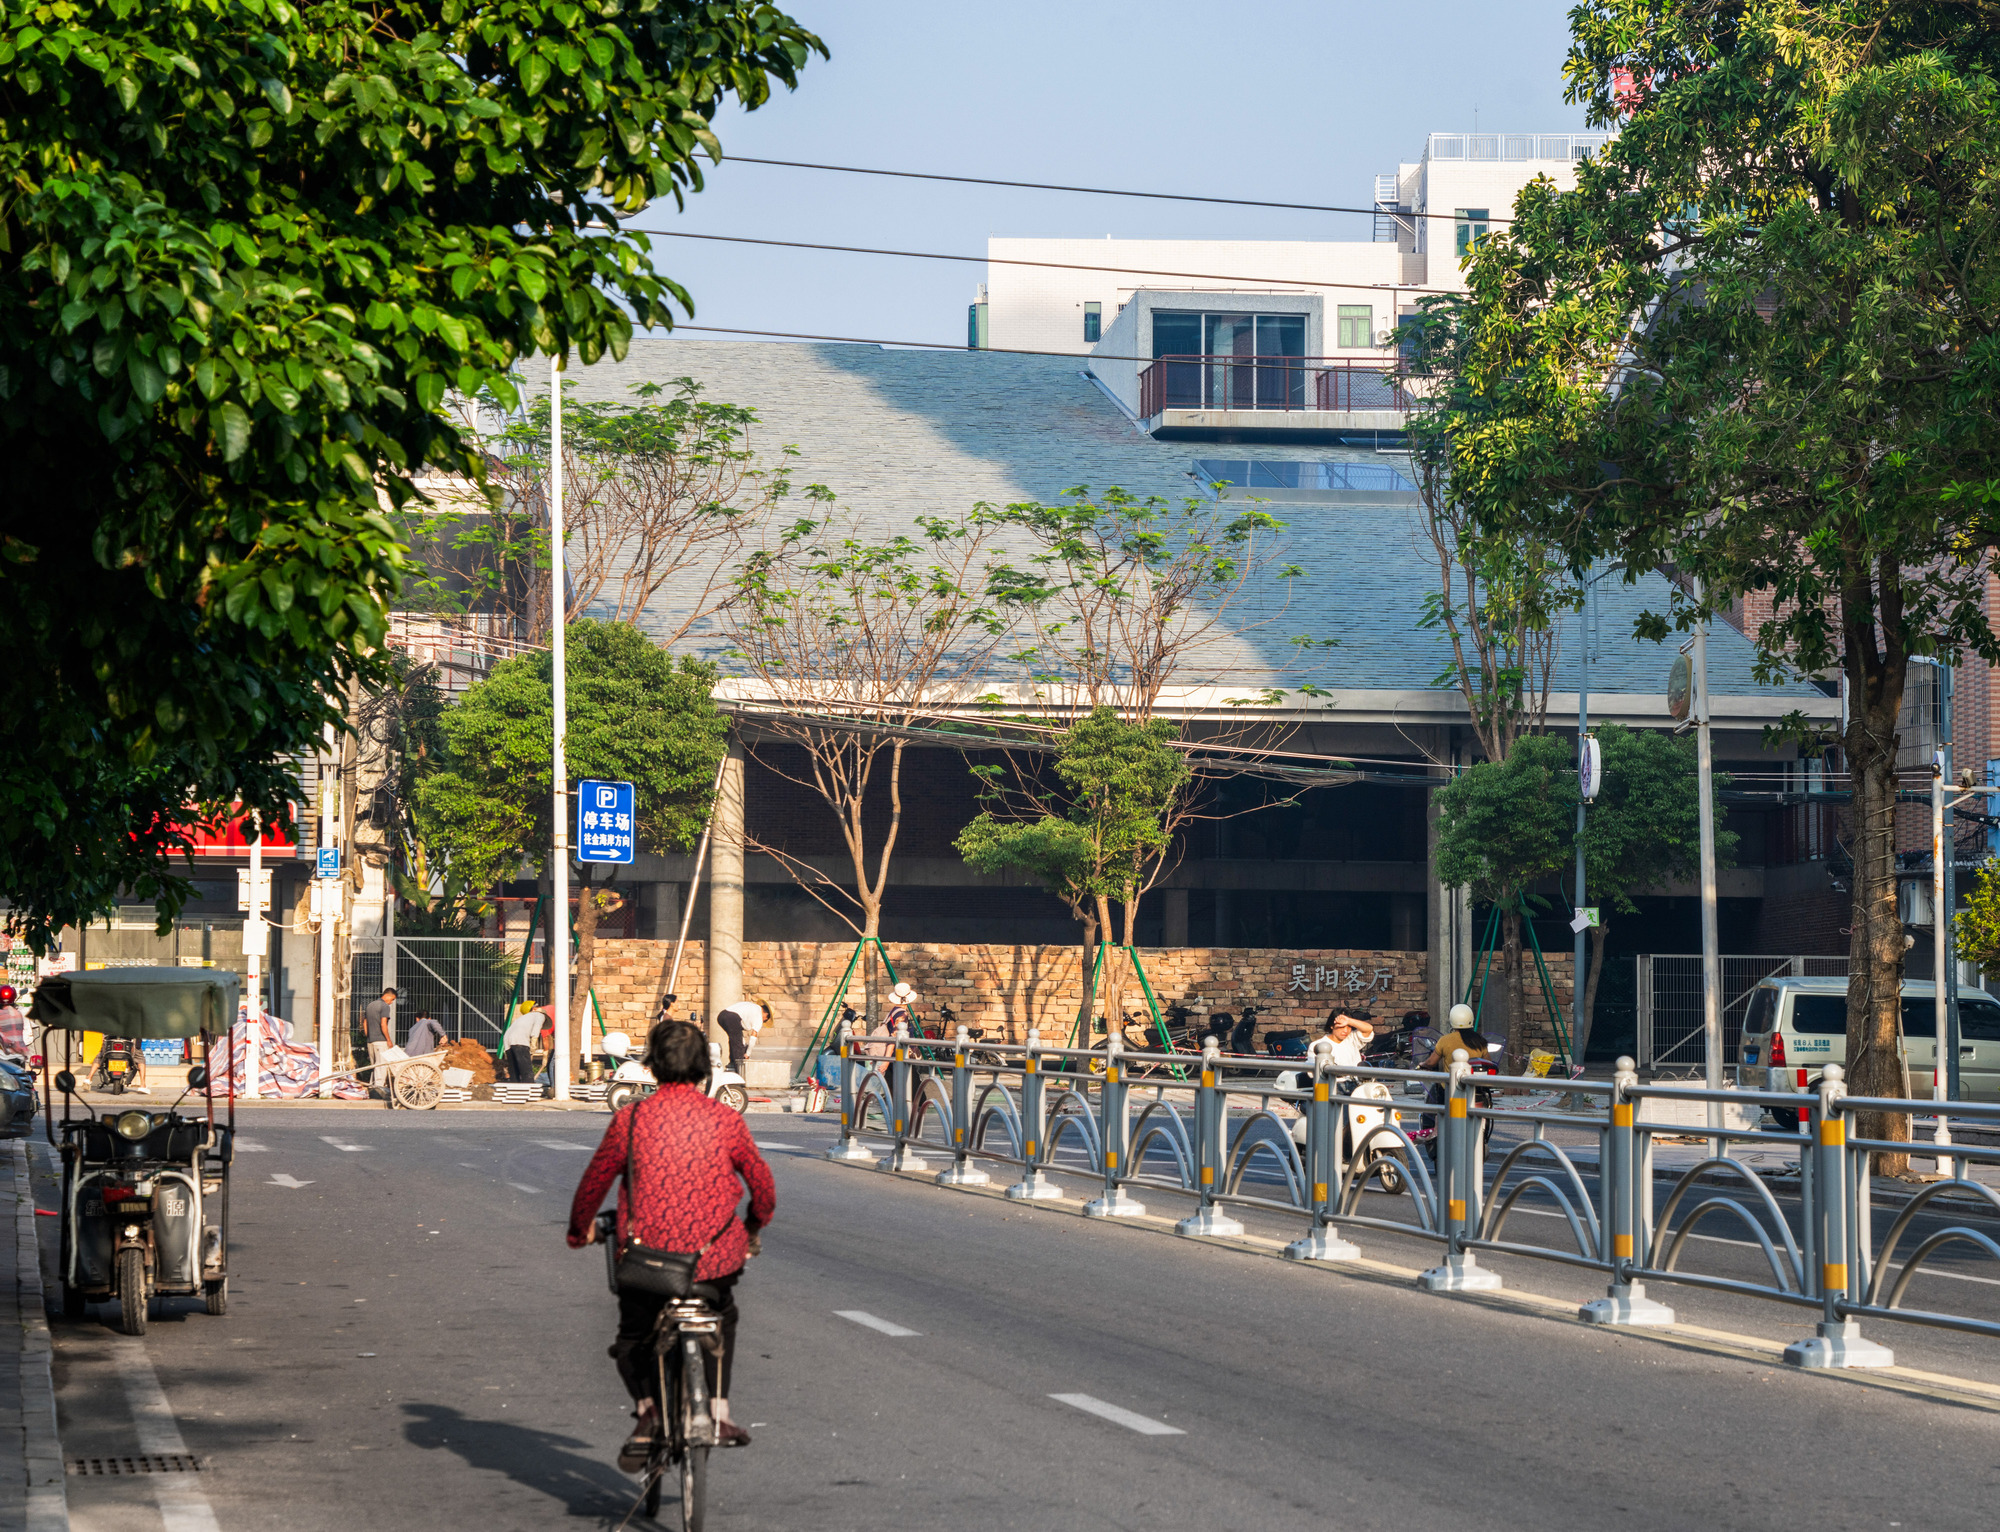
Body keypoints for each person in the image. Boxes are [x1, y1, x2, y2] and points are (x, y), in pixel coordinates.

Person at [568, 1020, 776, 1468]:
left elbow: (594, 1183)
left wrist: (578, 1230)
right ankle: (718, 1413)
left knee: (631, 1338)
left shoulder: (631, 1118)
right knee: (723, 1316)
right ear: (703, 1066)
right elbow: (763, 1184)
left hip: (645, 1260)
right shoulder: (725, 1119)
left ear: (651, 1066)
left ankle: (647, 1412)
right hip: (714, 1260)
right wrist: (753, 1228)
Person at [1421, 1004, 1491, 1071]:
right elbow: (1488, 1063)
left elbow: (1431, 1063)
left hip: (1450, 1082)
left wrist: (1422, 1064)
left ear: (1451, 1020)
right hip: (1474, 1081)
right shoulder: (1479, 1041)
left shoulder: (1444, 1040)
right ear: (1471, 1019)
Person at [714, 1000, 768, 1073]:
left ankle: (732, 1063)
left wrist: (744, 1046)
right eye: (766, 1020)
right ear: (766, 1014)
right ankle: (739, 1072)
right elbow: (753, 1037)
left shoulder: (750, 1006)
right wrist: (748, 1054)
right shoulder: (759, 1015)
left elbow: (738, 1034)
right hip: (732, 1018)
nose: (764, 1021)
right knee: (738, 1047)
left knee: (735, 1040)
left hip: (722, 1016)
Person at [500, 1003, 545, 1084]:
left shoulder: (522, 1018)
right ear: (534, 1009)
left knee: (514, 1070)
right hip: (520, 1041)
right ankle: (529, 1088)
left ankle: (515, 1090)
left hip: (507, 1040)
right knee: (526, 1070)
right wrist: (533, 1045)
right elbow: (535, 1032)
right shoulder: (540, 1015)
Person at [363, 987, 398, 1085]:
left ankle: (372, 1087)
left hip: (370, 1041)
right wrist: (388, 1040)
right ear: (387, 996)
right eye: (392, 999)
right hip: (380, 1041)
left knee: (374, 1066)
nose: (391, 1002)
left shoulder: (370, 1005)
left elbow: (365, 1022)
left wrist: (368, 1036)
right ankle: (378, 1089)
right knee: (381, 1066)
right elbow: (383, 1024)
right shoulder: (385, 1006)